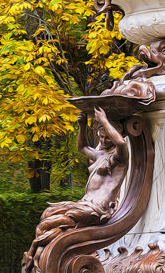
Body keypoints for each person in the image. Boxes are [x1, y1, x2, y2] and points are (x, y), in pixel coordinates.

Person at [21, 107, 129, 273]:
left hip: (96, 210)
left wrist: (104, 120)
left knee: (48, 224)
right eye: (101, 137)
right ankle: (37, 256)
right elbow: (82, 147)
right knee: (47, 214)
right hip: (83, 204)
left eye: (108, 137)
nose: (105, 140)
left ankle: (35, 252)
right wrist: (82, 125)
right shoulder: (101, 155)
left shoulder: (119, 158)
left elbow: (121, 142)